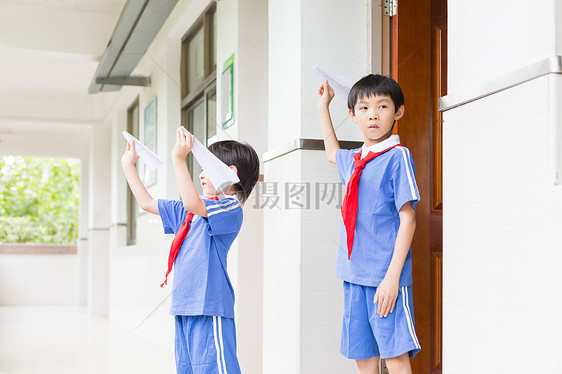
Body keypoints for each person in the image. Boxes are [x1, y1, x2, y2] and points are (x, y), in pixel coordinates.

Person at [121, 128, 260, 374]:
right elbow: (146, 203)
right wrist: (128, 165)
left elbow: (192, 203)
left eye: (206, 167)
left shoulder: (230, 208)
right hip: (184, 307)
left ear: (230, 173)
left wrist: (178, 159)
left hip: (210, 307)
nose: (201, 174)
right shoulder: (188, 212)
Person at [316, 74, 421, 374]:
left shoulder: (397, 157)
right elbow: (331, 152)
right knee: (364, 359)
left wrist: (392, 279)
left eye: (382, 106)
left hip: (385, 277)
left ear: (398, 111)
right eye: (363, 108)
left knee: (396, 358)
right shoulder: (356, 160)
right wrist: (324, 107)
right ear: (352, 115)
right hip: (353, 274)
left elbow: (408, 219)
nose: (373, 114)